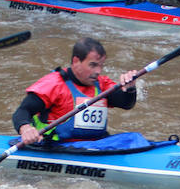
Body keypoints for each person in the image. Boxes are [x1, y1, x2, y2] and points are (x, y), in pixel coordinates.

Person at [13, 37, 142, 145]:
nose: (98, 71)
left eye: (100, 66)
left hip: (94, 147)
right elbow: (23, 111)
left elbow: (126, 104)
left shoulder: (102, 84)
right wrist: (26, 129)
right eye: (93, 65)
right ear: (76, 61)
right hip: (56, 147)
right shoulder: (53, 84)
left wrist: (130, 88)